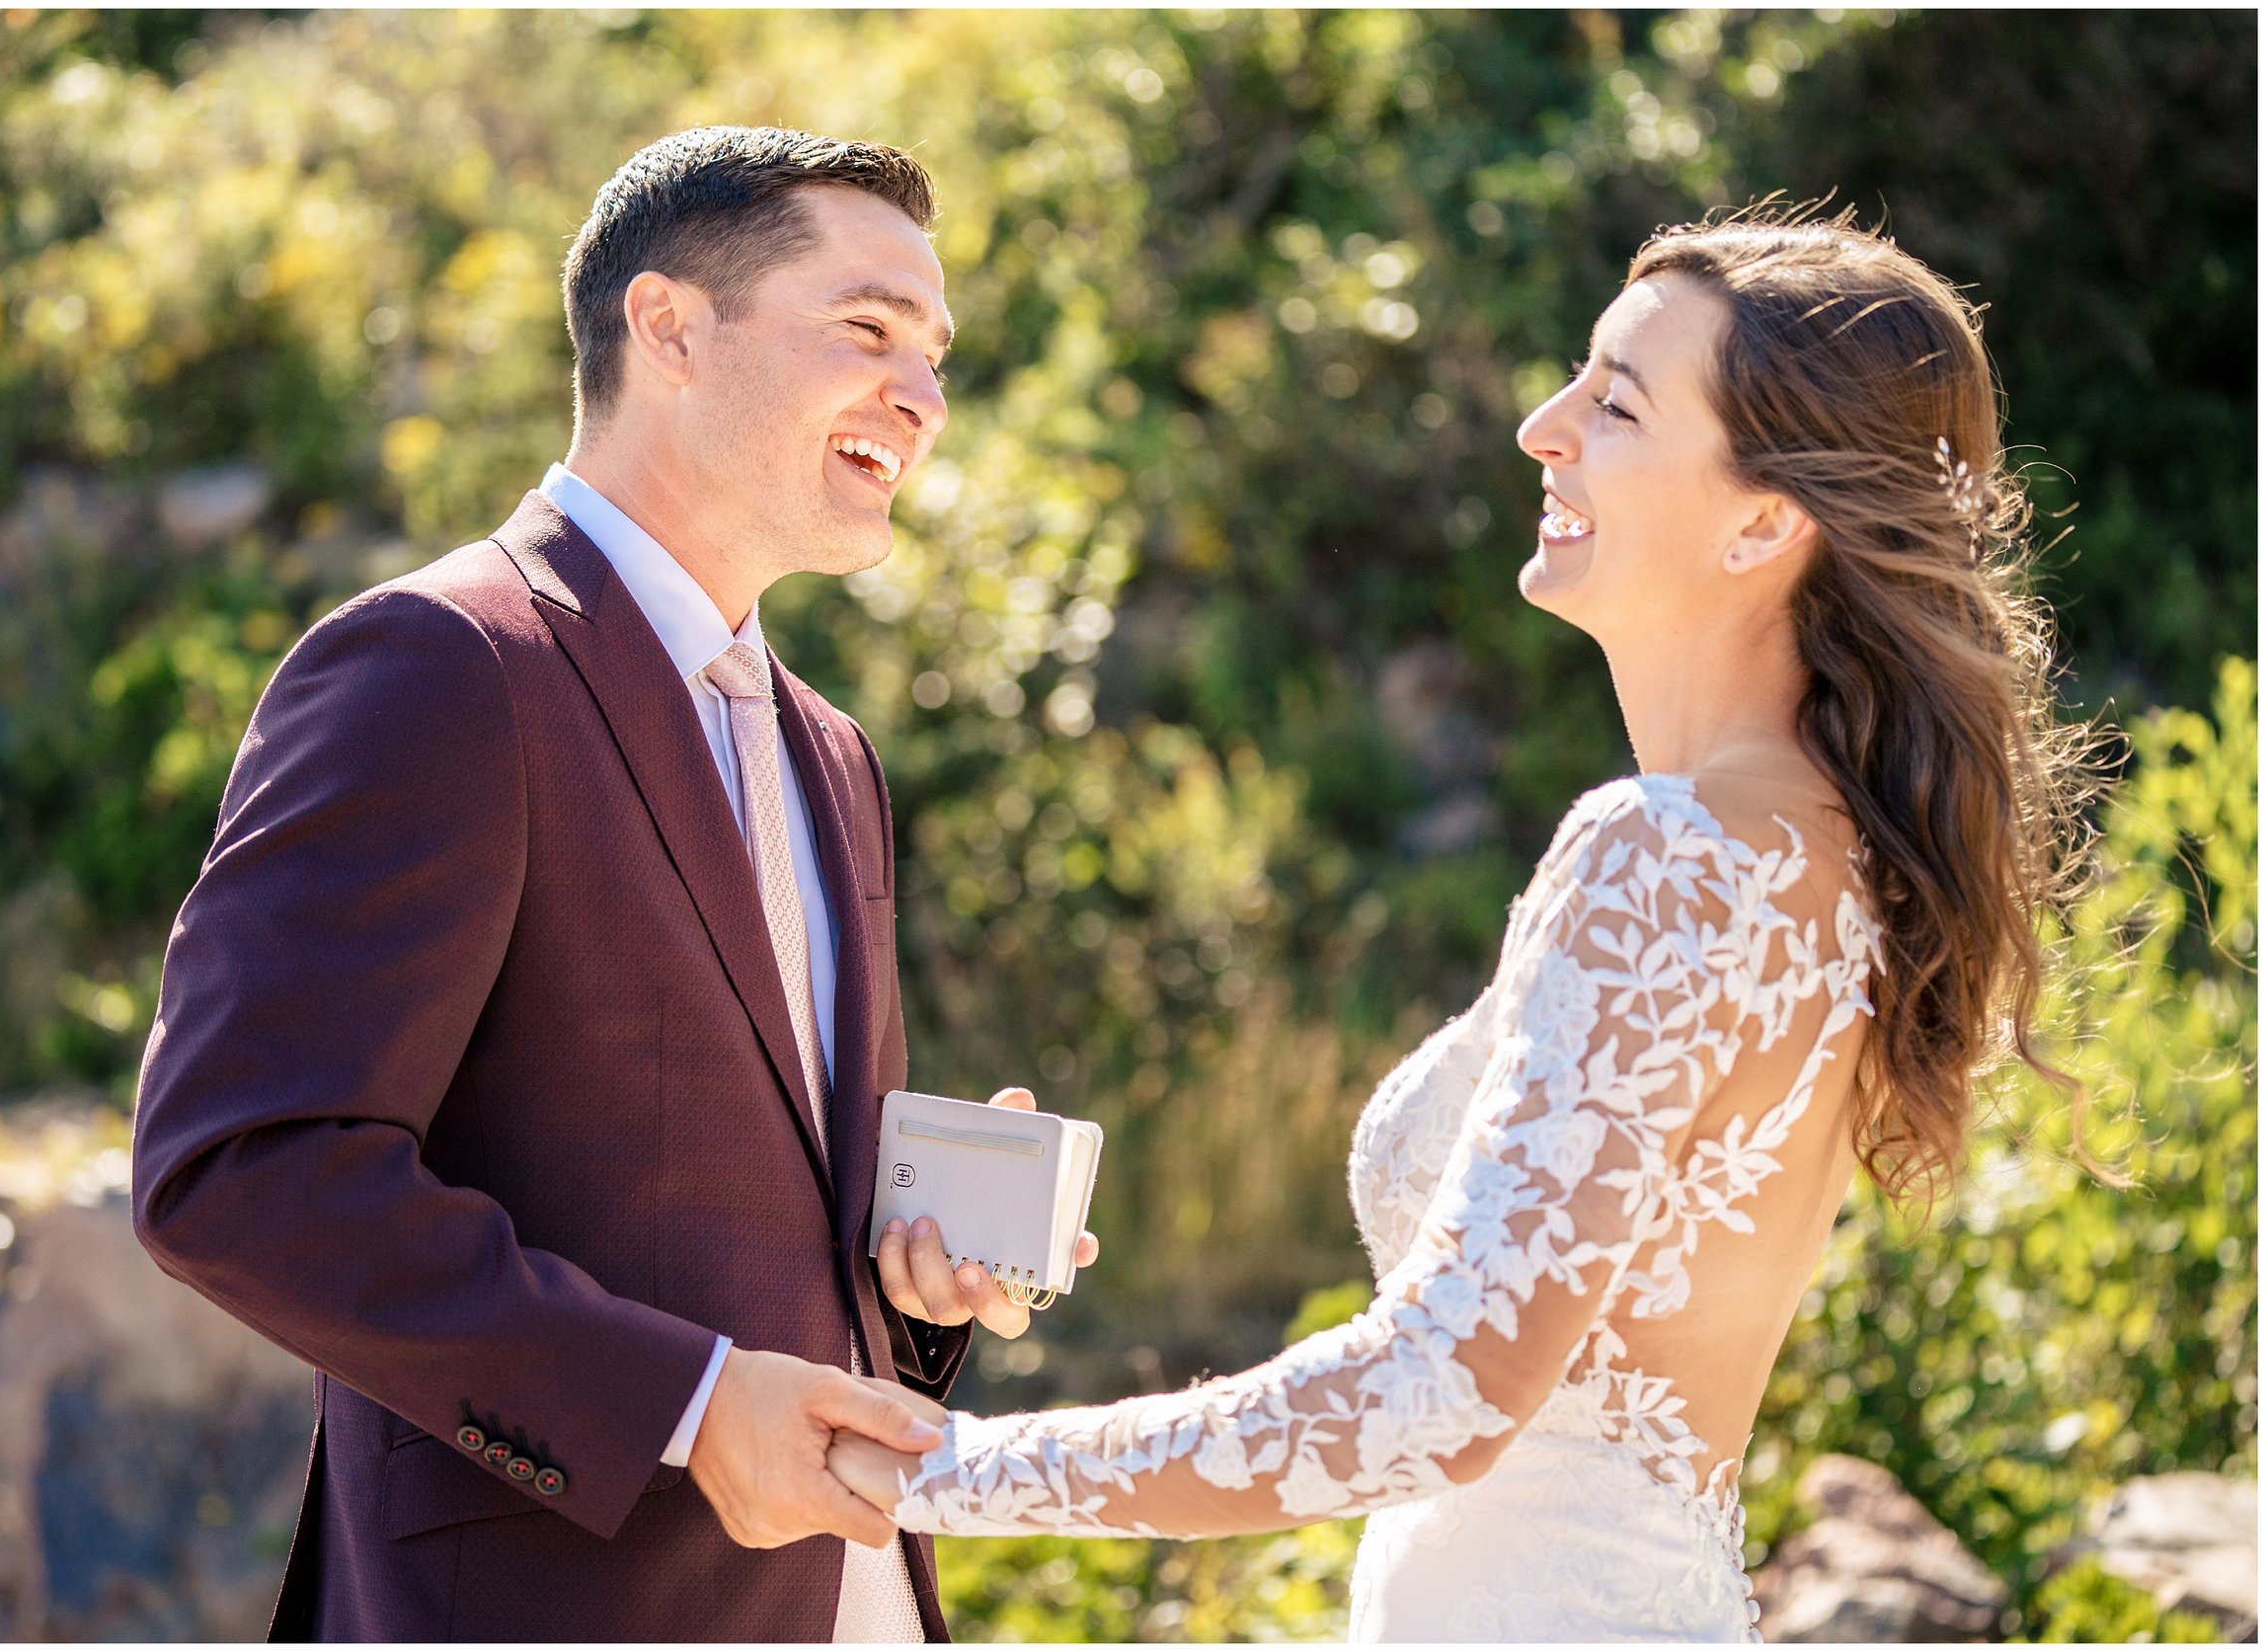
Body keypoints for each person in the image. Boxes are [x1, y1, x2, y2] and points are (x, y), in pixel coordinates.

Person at [826, 206, 2097, 1641]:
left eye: (1614, 403)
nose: (1541, 428)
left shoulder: (1666, 857)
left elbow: (1434, 1399)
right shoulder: (1826, 855)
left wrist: (938, 1468)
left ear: (1763, 519)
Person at [129, 125, 1089, 1642]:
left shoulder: (834, 754)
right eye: (868, 331)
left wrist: (911, 1285)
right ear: (670, 329)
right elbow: (240, 1170)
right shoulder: (435, 665)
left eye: (938, 355)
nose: (923, 396)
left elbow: (738, 1217)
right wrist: (695, 1410)